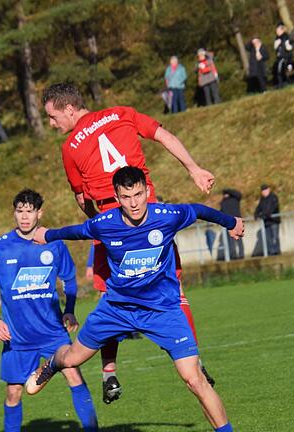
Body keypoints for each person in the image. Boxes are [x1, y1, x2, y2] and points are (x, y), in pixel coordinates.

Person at [26, 166, 244, 432]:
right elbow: (76, 232)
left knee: (194, 379)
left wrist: (231, 222)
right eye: (126, 197)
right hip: (116, 309)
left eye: (138, 194)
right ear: (117, 198)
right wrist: (46, 235)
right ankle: (50, 365)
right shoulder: (105, 224)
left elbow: (199, 210)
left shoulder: (167, 216)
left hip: (162, 310)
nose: (134, 203)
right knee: (71, 359)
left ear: (147, 191)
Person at [41, 82, 216, 404]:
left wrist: (98, 223)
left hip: (111, 219)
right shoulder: (122, 113)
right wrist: (194, 169)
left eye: (52, 117)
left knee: (111, 295)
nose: (52, 124)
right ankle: (196, 361)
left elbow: (82, 198)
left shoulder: (70, 147)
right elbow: (164, 136)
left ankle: (109, 373)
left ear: (68, 110)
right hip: (148, 210)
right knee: (173, 289)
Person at [0, 189, 98, 432]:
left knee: (74, 375)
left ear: (39, 213)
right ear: (14, 213)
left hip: (53, 332)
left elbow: (69, 280)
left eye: (29, 211)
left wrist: (70, 310)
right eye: (20, 211)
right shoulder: (0, 247)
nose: (24, 217)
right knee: (13, 393)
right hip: (18, 336)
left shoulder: (53, 244)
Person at [254, 184, 281, 256]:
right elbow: (258, 207)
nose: (264, 192)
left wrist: (267, 214)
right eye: (262, 191)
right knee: (268, 238)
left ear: (268, 189)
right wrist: (256, 214)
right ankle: (271, 251)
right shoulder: (262, 199)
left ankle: (276, 251)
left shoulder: (273, 197)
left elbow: (274, 207)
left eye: (265, 190)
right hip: (266, 221)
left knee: (275, 237)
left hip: (274, 220)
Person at [220, 188, 244, 260]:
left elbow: (239, 194)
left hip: (235, 223)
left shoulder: (234, 199)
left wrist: (229, 191)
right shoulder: (225, 202)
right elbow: (222, 212)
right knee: (233, 240)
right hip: (231, 223)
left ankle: (239, 254)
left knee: (236, 239)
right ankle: (235, 255)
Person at [273, 23, 294, 88]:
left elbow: (289, 47)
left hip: (286, 57)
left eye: (278, 30)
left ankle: (286, 83)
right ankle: (281, 84)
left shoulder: (286, 36)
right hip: (280, 57)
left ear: (282, 30)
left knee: (285, 70)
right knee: (279, 71)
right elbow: (276, 48)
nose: (277, 32)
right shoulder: (277, 38)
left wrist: (286, 45)